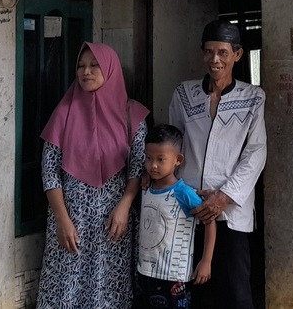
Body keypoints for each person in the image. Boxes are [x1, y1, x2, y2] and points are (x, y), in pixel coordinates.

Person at [38, 42, 149, 309]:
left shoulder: (132, 114)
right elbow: (49, 170)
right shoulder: (64, 112)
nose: (85, 72)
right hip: (71, 220)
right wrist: (62, 220)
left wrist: (124, 207)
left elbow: (137, 168)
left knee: (107, 291)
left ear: (110, 69)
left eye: (94, 65)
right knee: (65, 289)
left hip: (113, 222)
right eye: (80, 66)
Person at [168, 19, 267, 309]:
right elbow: (173, 143)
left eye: (223, 52)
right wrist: (162, 177)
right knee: (192, 289)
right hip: (189, 205)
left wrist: (223, 197)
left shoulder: (252, 98)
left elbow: (256, 152)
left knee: (236, 292)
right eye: (209, 52)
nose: (215, 60)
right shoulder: (184, 94)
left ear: (237, 54)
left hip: (231, 211)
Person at [134, 124, 216, 309]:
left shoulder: (184, 192)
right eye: (148, 158)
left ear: (178, 160)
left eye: (160, 159)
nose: (153, 165)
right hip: (146, 272)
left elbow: (210, 222)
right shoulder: (146, 188)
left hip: (174, 276)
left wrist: (206, 261)